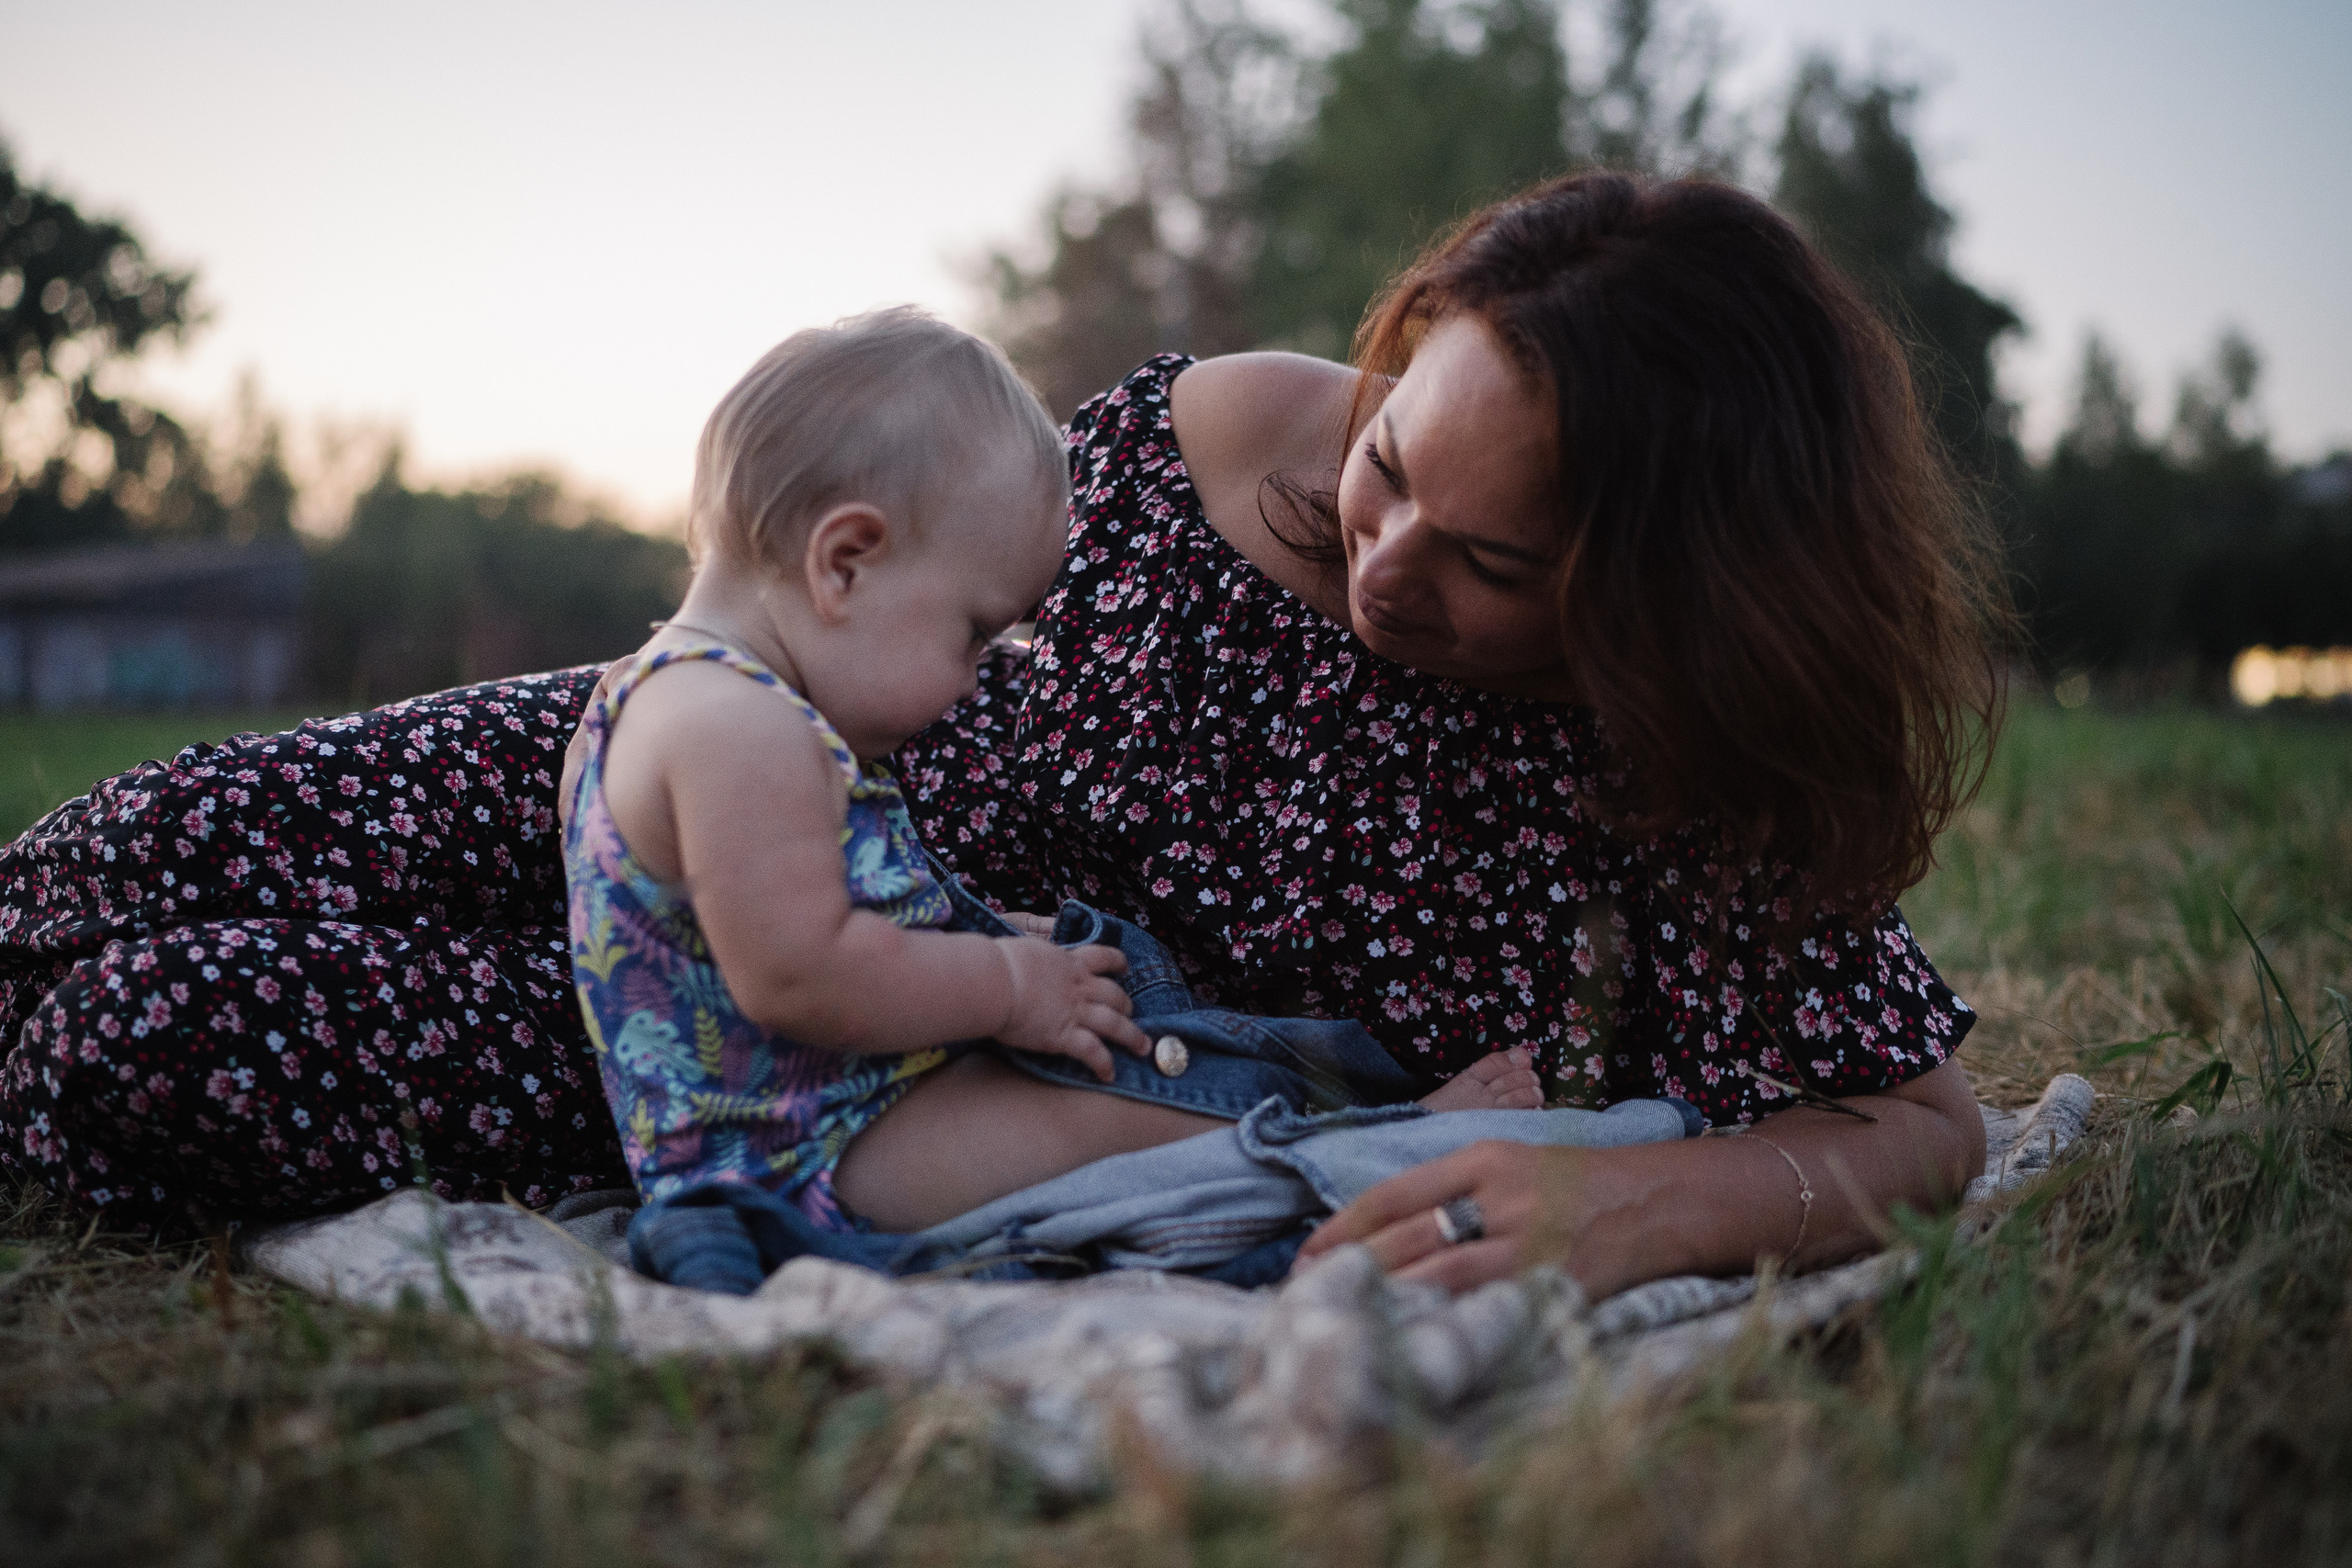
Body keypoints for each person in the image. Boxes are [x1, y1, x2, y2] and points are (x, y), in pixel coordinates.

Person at [1, 172, 1990, 1302]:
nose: (1380, 565)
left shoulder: (1682, 773)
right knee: (141, 842)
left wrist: (1644, 1201)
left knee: (147, 1037)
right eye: (1385, 461)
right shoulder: (1217, 433)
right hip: (718, 777)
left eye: (1488, 563)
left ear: (1666, 600)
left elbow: (1911, 1117)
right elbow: (894, 571)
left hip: (832, 1056)